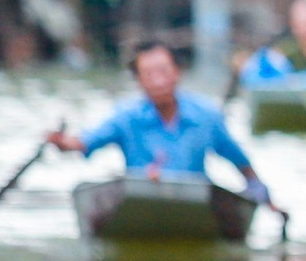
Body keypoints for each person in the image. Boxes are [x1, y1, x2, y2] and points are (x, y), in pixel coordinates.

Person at [47, 41, 271, 204]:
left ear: (177, 72)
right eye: (149, 74)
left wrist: (263, 196)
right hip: (139, 200)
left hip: (192, 206)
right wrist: (63, 142)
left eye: (163, 72)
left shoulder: (206, 117)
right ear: (139, 81)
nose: (158, 81)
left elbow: (241, 163)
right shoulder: (126, 117)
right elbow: (86, 141)